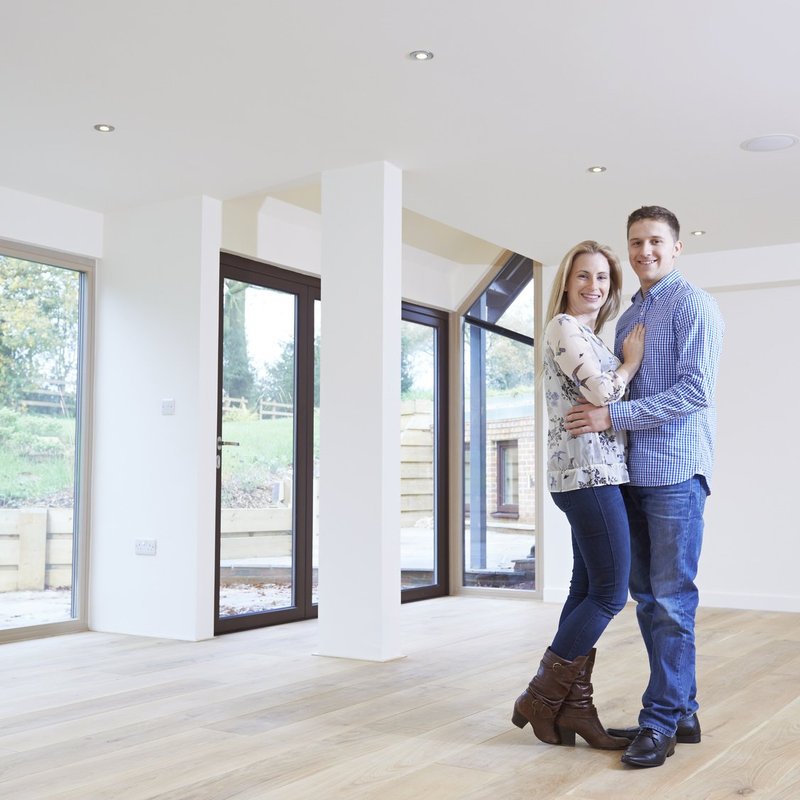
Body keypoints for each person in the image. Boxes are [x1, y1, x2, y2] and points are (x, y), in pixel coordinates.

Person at [564, 206, 724, 768]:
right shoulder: (632, 309)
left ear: (677, 247)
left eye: (655, 242)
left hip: (676, 474)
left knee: (671, 602)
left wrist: (614, 418)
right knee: (651, 601)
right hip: (631, 476)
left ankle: (659, 721)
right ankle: (681, 712)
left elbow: (694, 392)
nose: (644, 252)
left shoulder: (694, 305)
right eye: (635, 242)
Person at [512, 240, 645, 749]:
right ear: (566, 282)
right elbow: (603, 393)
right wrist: (630, 362)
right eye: (584, 276)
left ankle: (573, 710)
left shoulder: (586, 333)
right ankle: (539, 698)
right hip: (589, 476)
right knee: (611, 594)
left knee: (586, 589)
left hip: (592, 474)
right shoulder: (564, 327)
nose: (594, 286)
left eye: (603, 279)